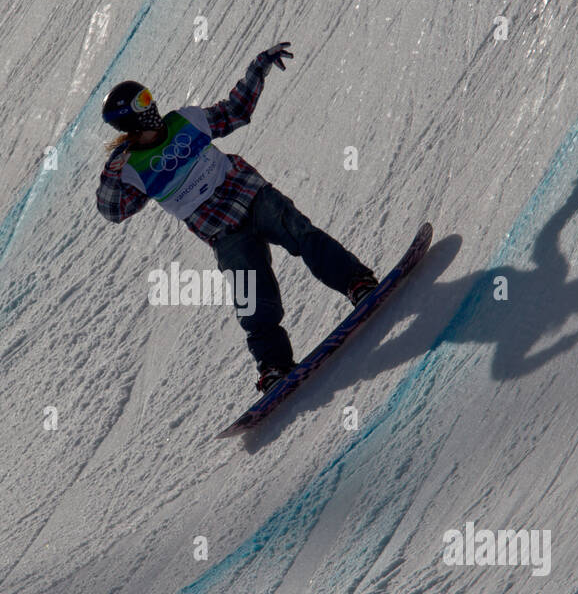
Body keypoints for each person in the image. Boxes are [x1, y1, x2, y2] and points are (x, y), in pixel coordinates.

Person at [95, 42, 378, 393]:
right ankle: (274, 364)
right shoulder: (132, 168)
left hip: (251, 195)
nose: (151, 105)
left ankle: (357, 283)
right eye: (142, 103)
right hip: (223, 232)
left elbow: (236, 111)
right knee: (252, 297)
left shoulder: (185, 121)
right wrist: (113, 171)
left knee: (302, 234)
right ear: (129, 119)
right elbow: (113, 210)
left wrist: (257, 69)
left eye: (148, 96)